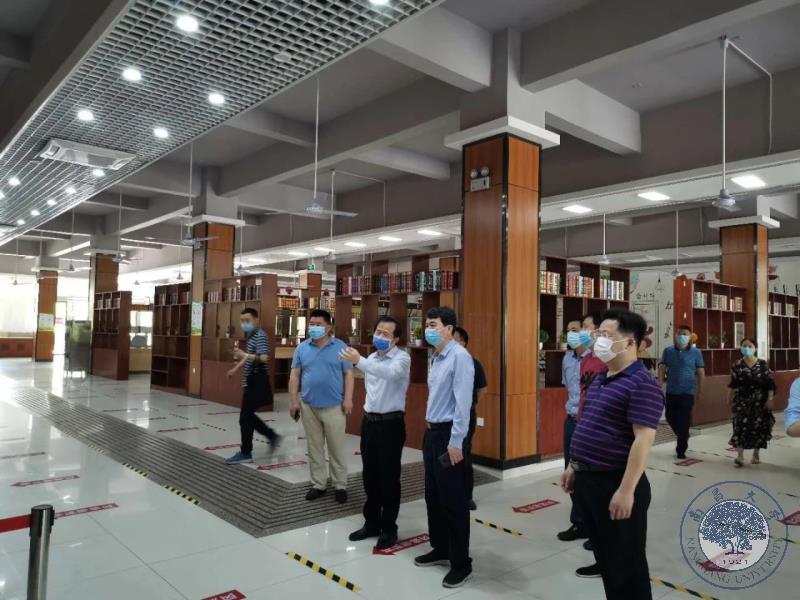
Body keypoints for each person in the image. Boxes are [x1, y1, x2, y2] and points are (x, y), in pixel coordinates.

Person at [561, 309, 664, 598]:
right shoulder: (601, 377)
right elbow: (588, 425)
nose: (598, 341)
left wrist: (626, 491)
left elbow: (643, 440)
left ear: (630, 343)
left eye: (606, 336)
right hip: (589, 481)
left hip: (616, 482)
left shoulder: (642, 383)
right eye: (598, 335)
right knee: (607, 561)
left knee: (626, 568)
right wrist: (574, 465)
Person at [414, 306, 474, 589]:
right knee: (433, 496)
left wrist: (456, 441)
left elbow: (463, 403)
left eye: (433, 324)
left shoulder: (460, 357)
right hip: (432, 433)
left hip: (449, 434)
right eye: (427, 324)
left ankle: (461, 562)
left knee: (453, 500)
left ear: (449, 328)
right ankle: (440, 547)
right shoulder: (437, 356)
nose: (428, 329)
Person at [340, 316, 411, 549]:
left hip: (391, 424)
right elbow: (373, 380)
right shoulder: (371, 358)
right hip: (369, 422)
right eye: (378, 332)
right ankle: (371, 522)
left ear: (396, 339)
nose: (380, 337)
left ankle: (389, 528)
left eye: (386, 334)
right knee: (370, 476)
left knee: (389, 478)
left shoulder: (402, 358)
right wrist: (360, 361)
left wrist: (358, 360)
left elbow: (388, 373)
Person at [289, 309, 354, 504]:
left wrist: (348, 399)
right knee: (314, 447)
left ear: (328, 327)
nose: (314, 327)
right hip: (308, 406)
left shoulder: (341, 347)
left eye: (318, 324)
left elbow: (348, 374)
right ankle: (318, 484)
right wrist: (294, 401)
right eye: (311, 324)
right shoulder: (302, 348)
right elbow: (295, 375)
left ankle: (340, 485)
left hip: (335, 406)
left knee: (336, 448)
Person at [224, 308, 281, 464]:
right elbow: (249, 357)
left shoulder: (260, 336)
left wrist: (244, 355)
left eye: (248, 320)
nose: (245, 323)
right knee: (247, 416)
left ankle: (246, 452)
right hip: (251, 381)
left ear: (256, 320)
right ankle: (271, 436)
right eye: (242, 321)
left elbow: (263, 358)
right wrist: (236, 368)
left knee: (245, 417)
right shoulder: (251, 336)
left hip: (256, 382)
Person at [572, 312, 607, 560]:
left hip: (599, 431)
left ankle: (603, 541)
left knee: (600, 489)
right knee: (584, 486)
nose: (583, 332)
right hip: (582, 424)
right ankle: (588, 529)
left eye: (586, 327)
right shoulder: (586, 360)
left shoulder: (607, 362)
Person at [556, 319, 589, 543]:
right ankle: (579, 522)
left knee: (587, 474)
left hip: (587, 422)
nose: (571, 334)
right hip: (571, 420)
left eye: (575, 330)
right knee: (570, 472)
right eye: (568, 331)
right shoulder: (567, 358)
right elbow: (568, 388)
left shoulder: (595, 359)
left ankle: (592, 523)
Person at [452, 327, 487, 511]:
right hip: (445, 417)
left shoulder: (473, 363)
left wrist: (469, 405)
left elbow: (482, 389)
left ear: (463, 343)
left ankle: (466, 496)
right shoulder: (441, 361)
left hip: (465, 416)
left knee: (463, 454)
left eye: (454, 339)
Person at [658, 325, 705, 458]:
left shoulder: (696, 353)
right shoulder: (668, 351)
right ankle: (683, 434)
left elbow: (701, 372)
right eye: (679, 333)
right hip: (671, 390)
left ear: (690, 336)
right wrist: (660, 382)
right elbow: (662, 367)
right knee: (669, 416)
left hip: (688, 391)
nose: (681, 336)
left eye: (684, 334)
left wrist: (700, 391)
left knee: (683, 419)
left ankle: (681, 449)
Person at [728, 338, 775, 467]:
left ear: (755, 348)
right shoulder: (737, 364)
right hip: (741, 402)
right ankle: (740, 456)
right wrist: (729, 399)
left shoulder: (762, 364)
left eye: (750, 346)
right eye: (744, 346)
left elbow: (770, 384)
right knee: (739, 426)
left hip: (759, 402)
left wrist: (770, 399)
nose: (747, 348)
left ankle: (756, 454)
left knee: (758, 427)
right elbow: (733, 383)